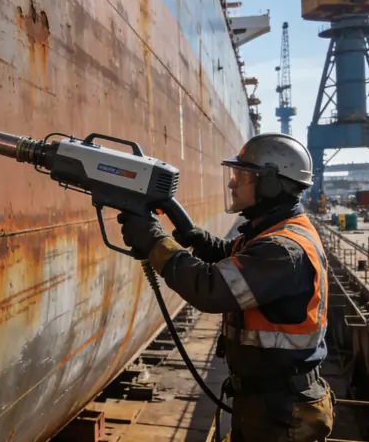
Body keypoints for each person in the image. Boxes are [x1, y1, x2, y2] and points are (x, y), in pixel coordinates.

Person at [117, 133, 335, 442]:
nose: (232, 183)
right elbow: (231, 255)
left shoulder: (282, 249)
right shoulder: (271, 232)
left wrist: (153, 240)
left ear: (272, 183)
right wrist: (195, 238)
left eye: (242, 175)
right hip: (270, 402)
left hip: (283, 414)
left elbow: (211, 288)